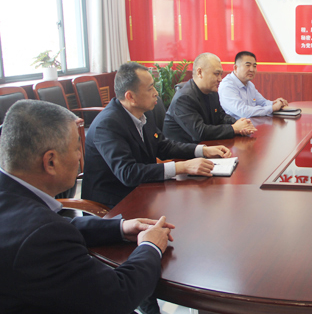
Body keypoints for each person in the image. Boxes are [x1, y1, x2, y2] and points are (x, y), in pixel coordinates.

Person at [0, 100, 175, 314]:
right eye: (76, 147)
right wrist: (150, 246)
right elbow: (120, 295)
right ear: (50, 161)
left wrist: (119, 227)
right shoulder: (40, 235)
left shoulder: (14, 201)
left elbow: (54, 226)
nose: (81, 157)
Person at [82, 61, 232, 209]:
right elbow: (128, 173)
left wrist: (202, 150)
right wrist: (182, 167)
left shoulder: (144, 113)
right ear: (131, 97)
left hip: (143, 191)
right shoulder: (107, 125)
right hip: (112, 205)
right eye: (150, 88)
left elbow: (163, 146)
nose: (156, 92)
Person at [163, 52, 257, 143]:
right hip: (184, 151)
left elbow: (221, 117)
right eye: (216, 74)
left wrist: (240, 124)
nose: (220, 79)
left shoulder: (212, 93)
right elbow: (200, 132)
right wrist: (234, 128)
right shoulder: (184, 98)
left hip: (206, 146)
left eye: (220, 74)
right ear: (199, 72)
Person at [218, 51, 288, 119]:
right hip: (235, 125)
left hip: (251, 124)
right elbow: (243, 112)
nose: (252, 69)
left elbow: (262, 102)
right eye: (248, 65)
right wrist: (272, 108)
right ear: (236, 68)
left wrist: (275, 103)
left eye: (254, 66)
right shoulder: (227, 86)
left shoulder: (249, 84)